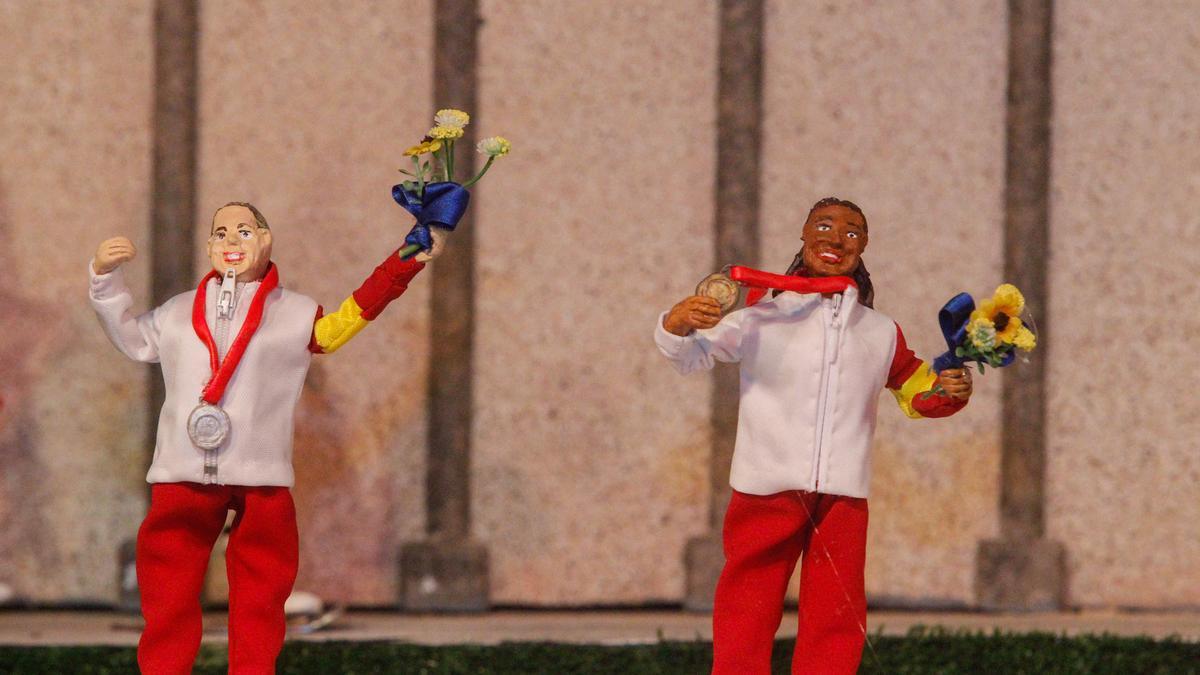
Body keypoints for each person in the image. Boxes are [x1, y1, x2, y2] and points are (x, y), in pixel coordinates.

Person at [89, 202, 446, 674]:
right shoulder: (177, 312)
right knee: (166, 593)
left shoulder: (294, 314)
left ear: (265, 239)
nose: (231, 242)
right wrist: (104, 279)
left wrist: (401, 263)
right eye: (220, 233)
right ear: (209, 246)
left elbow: (346, 320)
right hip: (181, 470)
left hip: (261, 474)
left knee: (261, 595)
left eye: (243, 231)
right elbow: (132, 337)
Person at [655, 197, 973, 674]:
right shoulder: (762, 317)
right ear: (803, 235)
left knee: (837, 612)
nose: (834, 238)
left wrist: (951, 390)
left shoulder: (881, 332)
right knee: (748, 601)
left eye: (851, 232)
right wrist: (677, 323)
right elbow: (692, 354)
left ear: (864, 246)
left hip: (843, 494)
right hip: (765, 486)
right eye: (823, 225)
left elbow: (916, 391)